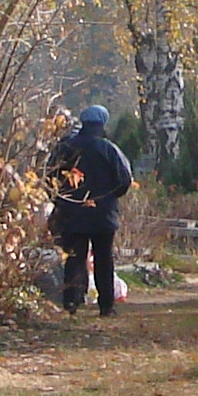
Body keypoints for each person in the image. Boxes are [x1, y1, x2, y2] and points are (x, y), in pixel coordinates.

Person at [45, 104, 134, 316]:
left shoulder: (64, 148)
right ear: (102, 124)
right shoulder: (108, 149)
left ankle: (71, 302)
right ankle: (106, 306)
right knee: (104, 258)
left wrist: (60, 200)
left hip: (71, 212)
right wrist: (109, 198)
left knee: (75, 258)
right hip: (103, 215)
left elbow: (49, 176)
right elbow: (125, 179)